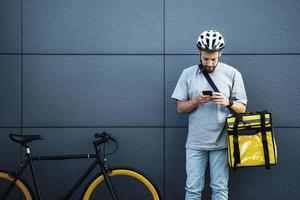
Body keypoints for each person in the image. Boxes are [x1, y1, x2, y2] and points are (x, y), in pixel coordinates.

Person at [171, 30, 247, 200]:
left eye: (213, 58)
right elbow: (180, 108)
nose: (210, 63)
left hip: (221, 143)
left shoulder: (233, 74)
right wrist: (196, 100)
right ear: (199, 53)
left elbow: (242, 107)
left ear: (220, 53)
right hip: (195, 144)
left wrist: (227, 102)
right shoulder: (188, 74)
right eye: (205, 59)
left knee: (220, 190)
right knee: (192, 190)